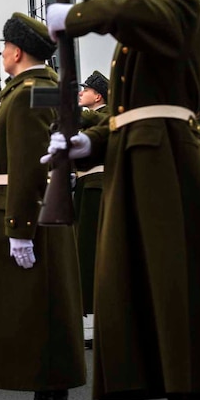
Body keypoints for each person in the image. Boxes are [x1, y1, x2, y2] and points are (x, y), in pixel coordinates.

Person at [45, 0, 200, 400]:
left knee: (180, 285)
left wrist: (76, 15)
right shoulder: (148, 15)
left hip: (168, 161)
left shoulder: (177, 1)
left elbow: (143, 25)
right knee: (147, 287)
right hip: (141, 159)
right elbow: (131, 111)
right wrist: (88, 143)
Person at [0, 13, 85, 400]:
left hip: (30, 213)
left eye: (5, 46)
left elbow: (27, 164)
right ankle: (43, 399)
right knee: (30, 309)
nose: (2, 52)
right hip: (27, 208)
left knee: (42, 308)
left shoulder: (30, 91)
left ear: (17, 50)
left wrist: (20, 227)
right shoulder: (28, 90)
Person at [74, 71, 109, 349]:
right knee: (87, 256)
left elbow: (98, 122)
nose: (80, 93)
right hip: (87, 188)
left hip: (101, 188)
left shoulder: (105, 115)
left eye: (84, 89)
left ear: (98, 95)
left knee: (100, 254)